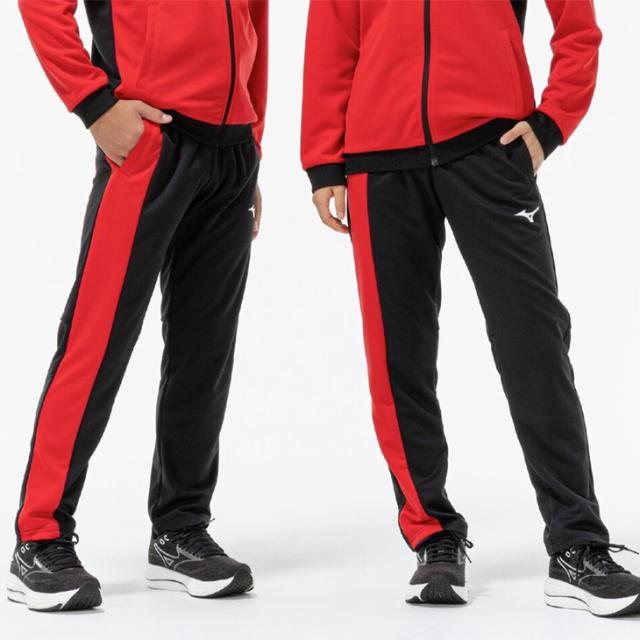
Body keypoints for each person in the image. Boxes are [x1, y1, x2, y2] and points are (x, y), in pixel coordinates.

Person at [301, 0, 640, 616]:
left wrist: (553, 120)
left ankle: (577, 543)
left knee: (533, 340)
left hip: (491, 147)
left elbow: (578, 27)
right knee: (397, 357)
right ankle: (432, 535)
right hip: (379, 161)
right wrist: (324, 157)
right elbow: (333, 35)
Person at [9, 0, 268, 612]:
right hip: (151, 142)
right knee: (95, 341)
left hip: (230, 152)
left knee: (205, 352)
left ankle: (180, 530)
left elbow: (255, 21)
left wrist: (253, 141)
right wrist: (94, 105)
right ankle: (39, 537)